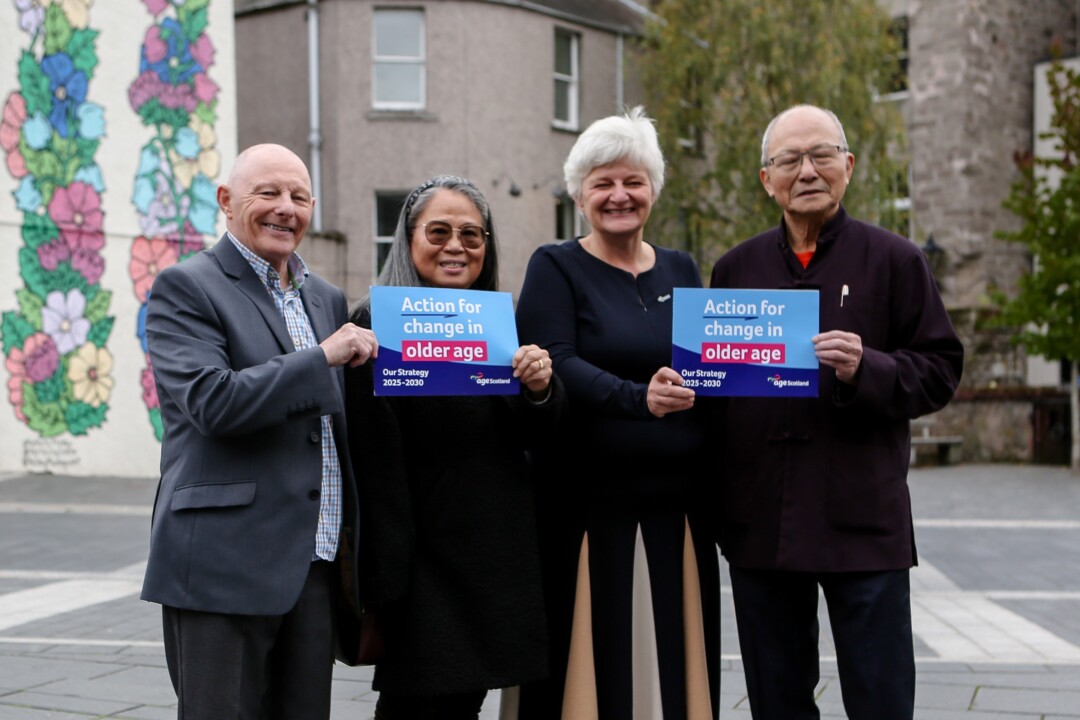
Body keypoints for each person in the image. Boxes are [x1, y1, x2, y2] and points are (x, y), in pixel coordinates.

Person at [708, 104, 965, 720]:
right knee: (776, 703)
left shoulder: (896, 260)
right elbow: (715, 391)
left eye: (821, 155)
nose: (807, 171)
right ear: (766, 179)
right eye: (789, 160)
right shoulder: (735, 269)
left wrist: (866, 367)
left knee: (880, 701)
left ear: (847, 166)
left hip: (862, 522)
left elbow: (941, 370)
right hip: (762, 524)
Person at [140, 143, 378, 719]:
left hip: (314, 563)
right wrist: (322, 357)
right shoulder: (186, 286)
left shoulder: (325, 298)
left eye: (299, 197)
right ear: (226, 200)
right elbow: (213, 402)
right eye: (267, 192)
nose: (285, 208)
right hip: (223, 562)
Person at [515, 107, 721, 719]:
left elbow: (711, 365)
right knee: (591, 671)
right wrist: (639, 399)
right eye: (602, 183)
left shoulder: (682, 268)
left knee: (674, 667)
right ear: (579, 195)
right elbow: (558, 361)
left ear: (654, 188)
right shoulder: (555, 266)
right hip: (587, 509)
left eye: (633, 181)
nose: (619, 195)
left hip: (676, 509)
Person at [344, 175, 565, 720]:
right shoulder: (373, 326)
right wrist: (388, 581)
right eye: (438, 231)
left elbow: (532, 436)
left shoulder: (496, 324)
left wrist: (540, 389)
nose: (456, 246)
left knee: (462, 706)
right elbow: (375, 462)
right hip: (420, 569)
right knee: (415, 708)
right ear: (408, 240)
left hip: (492, 562)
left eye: (471, 234)